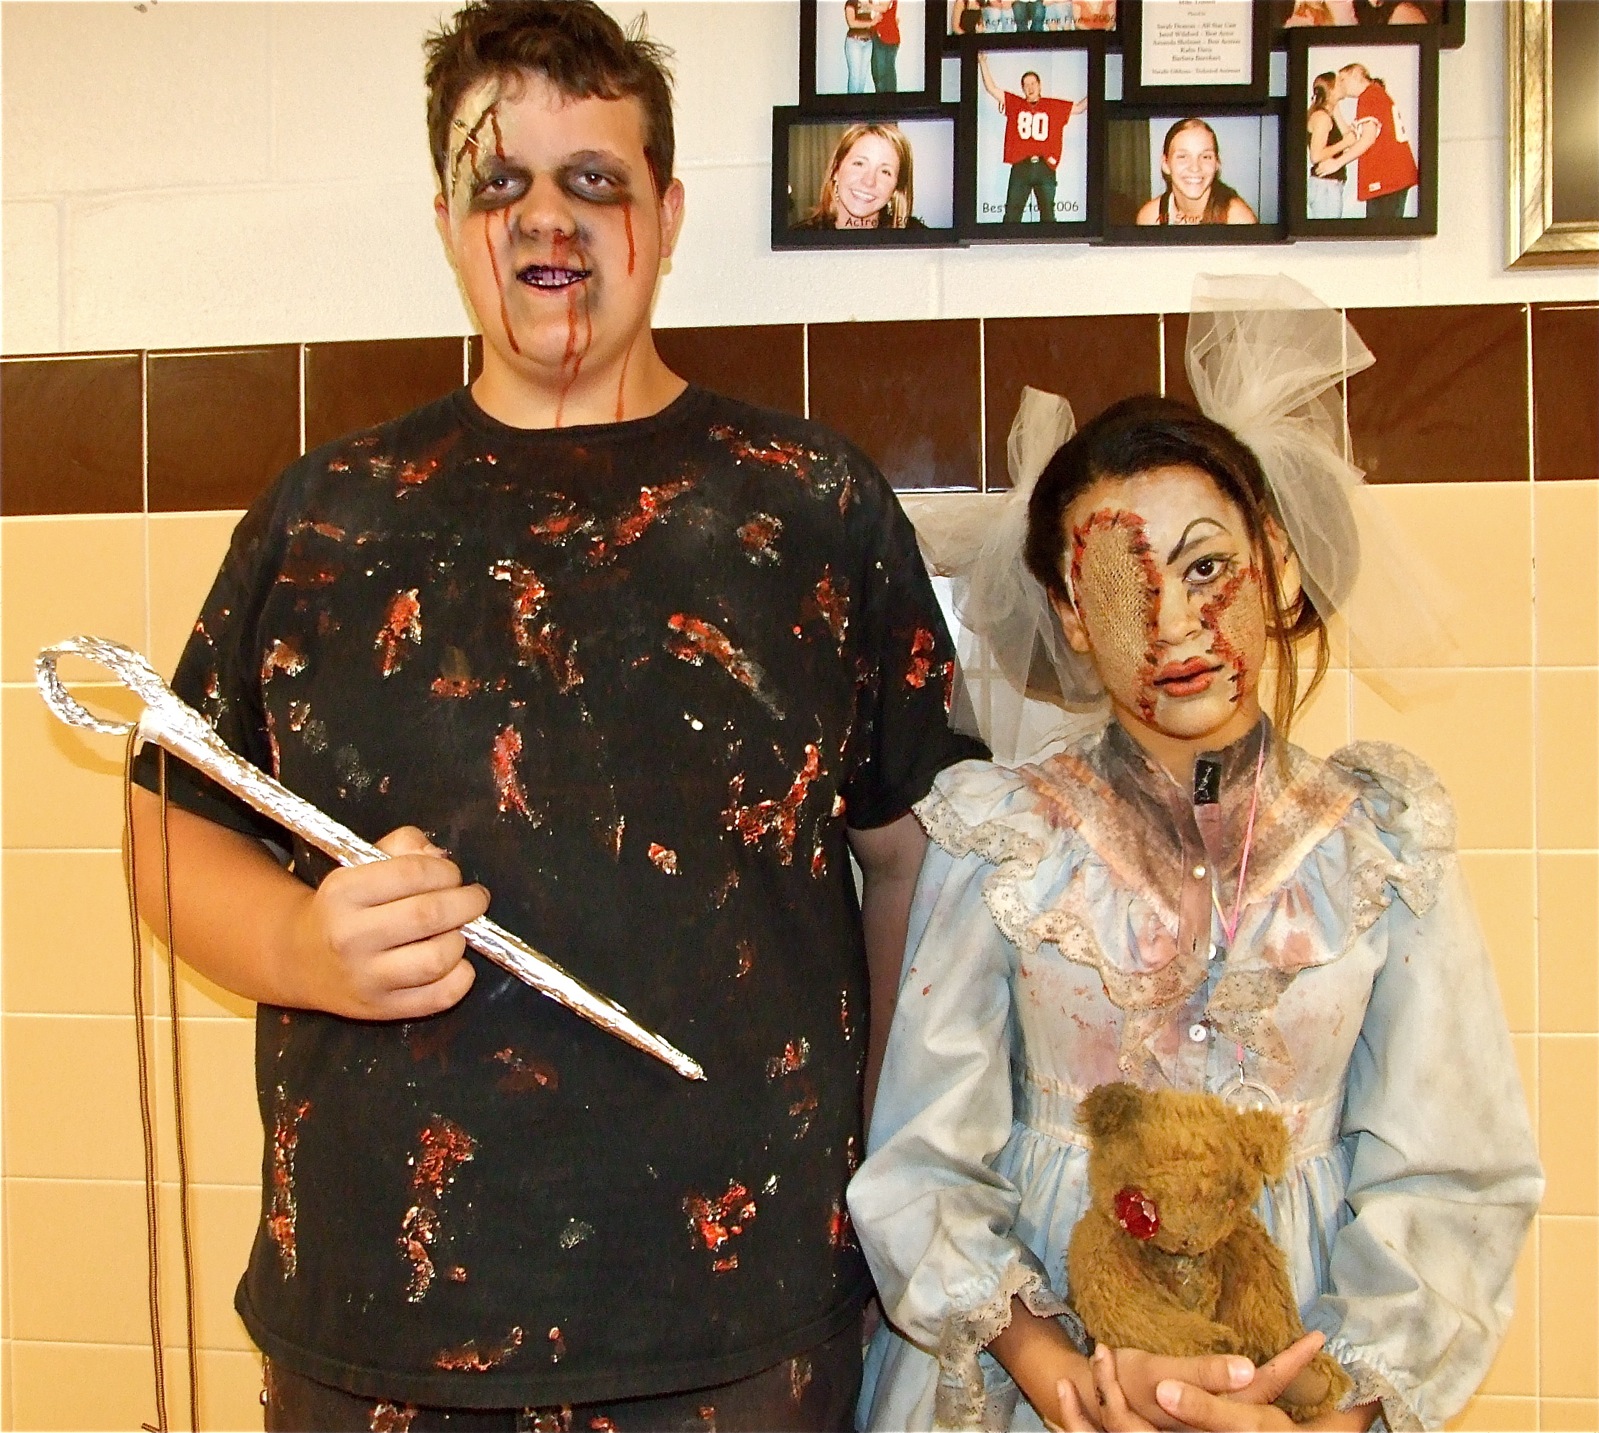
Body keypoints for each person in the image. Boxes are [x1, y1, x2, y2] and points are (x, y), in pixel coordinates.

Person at [130, 3, 985, 1428]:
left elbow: (916, 861)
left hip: (743, 1321)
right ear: (447, 222)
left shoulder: (811, 507)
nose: (548, 217)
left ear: (669, 211)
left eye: (595, 177)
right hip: (382, 1321)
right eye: (501, 181)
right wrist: (297, 944)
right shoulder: (325, 519)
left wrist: (887, 1154)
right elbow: (168, 827)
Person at [847, 289, 1541, 1431]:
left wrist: (1336, 1413)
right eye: (1121, 587)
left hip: (1304, 1387)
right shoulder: (1003, 839)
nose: (1170, 623)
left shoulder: (1380, 844)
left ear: (1277, 563)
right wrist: (1058, 1374)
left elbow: (1453, 1172)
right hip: (1033, 1392)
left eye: (1207, 567)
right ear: (1073, 618)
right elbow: (923, 1155)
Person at [979, 52, 1088, 224]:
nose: (1030, 87)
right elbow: (991, 89)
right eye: (1026, 84)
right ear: (1022, 88)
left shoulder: (1053, 105)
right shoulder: (1015, 104)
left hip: (1045, 166)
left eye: (1033, 83)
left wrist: (1098, 83)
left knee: (1048, 217)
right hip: (1021, 165)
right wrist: (983, 63)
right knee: (1011, 217)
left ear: (1039, 85)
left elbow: (1080, 107)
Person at [797, 123, 925, 230]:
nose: (869, 181)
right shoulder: (799, 237)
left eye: (885, 172)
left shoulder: (918, 236)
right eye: (859, 164)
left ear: (896, 188)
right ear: (836, 170)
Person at [1135, 118, 1258, 226]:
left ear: (1217, 164)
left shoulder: (1239, 220)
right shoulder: (1150, 217)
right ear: (1165, 164)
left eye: (1206, 157)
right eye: (1183, 156)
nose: (1195, 168)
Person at [1337, 63, 1420, 220]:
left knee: (1382, 229)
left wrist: (1337, 163)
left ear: (1356, 74)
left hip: (1388, 177)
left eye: (1342, 79)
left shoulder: (1369, 97)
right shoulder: (1375, 94)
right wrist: (1334, 108)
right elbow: (1354, 138)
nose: (1340, 84)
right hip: (1392, 177)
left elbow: (1367, 139)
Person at [1306, 73, 1360, 219]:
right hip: (1325, 186)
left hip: (1330, 185)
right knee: (1326, 231)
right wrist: (1344, 143)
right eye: (1339, 83)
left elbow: (1348, 135)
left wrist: (1335, 108)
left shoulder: (1330, 112)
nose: (1343, 85)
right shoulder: (1322, 117)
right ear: (1330, 90)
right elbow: (1316, 156)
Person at [845, 0, 877, 93]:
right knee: (855, 77)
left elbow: (875, 19)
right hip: (854, 41)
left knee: (862, 78)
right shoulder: (851, 2)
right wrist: (871, 23)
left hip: (868, 43)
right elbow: (852, 23)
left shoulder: (870, 2)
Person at [870, 0, 901, 92]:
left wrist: (866, 5)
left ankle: (886, 99)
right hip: (881, 36)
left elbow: (884, 8)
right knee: (883, 73)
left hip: (886, 37)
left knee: (881, 75)